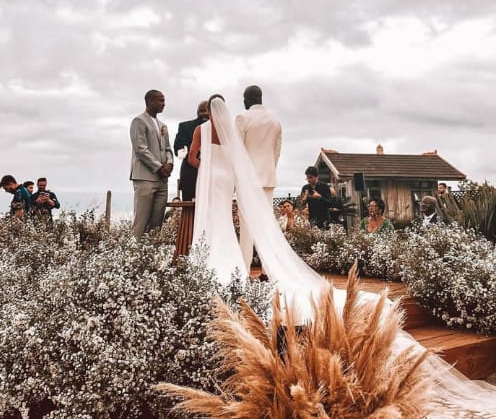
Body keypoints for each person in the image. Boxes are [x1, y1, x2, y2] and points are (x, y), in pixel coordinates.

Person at [188, 96, 496, 416]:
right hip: (251, 177)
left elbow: (195, 158)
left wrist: (206, 167)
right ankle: (243, 265)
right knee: (240, 226)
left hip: (213, 179)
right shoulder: (255, 124)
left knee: (219, 225)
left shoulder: (212, 128)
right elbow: (257, 153)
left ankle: (221, 266)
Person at [189, 94, 248, 282]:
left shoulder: (201, 130)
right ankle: (231, 259)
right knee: (224, 218)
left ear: (209, 110)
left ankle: (206, 260)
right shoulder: (231, 132)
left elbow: (191, 157)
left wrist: (205, 168)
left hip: (210, 178)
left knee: (208, 216)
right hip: (227, 178)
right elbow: (237, 159)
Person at [235, 85, 282, 271]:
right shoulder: (275, 121)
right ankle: (266, 270)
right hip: (268, 178)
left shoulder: (242, 118)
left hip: (247, 180)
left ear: (247, 99)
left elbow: (237, 152)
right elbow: (276, 153)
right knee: (266, 226)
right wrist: (269, 171)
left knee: (247, 227)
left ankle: (244, 270)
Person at [130, 89, 173, 238]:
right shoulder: (139, 121)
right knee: (141, 222)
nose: (164, 104)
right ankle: (133, 255)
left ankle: (152, 256)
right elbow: (141, 149)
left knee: (157, 223)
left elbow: (168, 148)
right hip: (145, 178)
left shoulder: (162, 125)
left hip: (162, 180)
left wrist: (170, 163)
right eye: (161, 100)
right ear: (150, 102)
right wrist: (159, 167)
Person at [173, 101, 209, 201]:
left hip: (189, 174)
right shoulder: (219, 128)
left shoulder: (185, 126)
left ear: (197, 112)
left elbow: (178, 149)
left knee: (188, 211)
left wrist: (189, 154)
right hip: (208, 174)